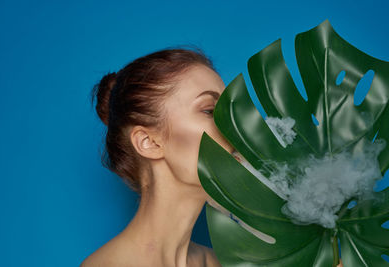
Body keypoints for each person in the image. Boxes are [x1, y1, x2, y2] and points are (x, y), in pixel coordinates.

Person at [80, 46, 344, 267]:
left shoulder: (219, 263)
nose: (234, 125)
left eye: (231, 111)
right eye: (209, 110)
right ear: (149, 142)